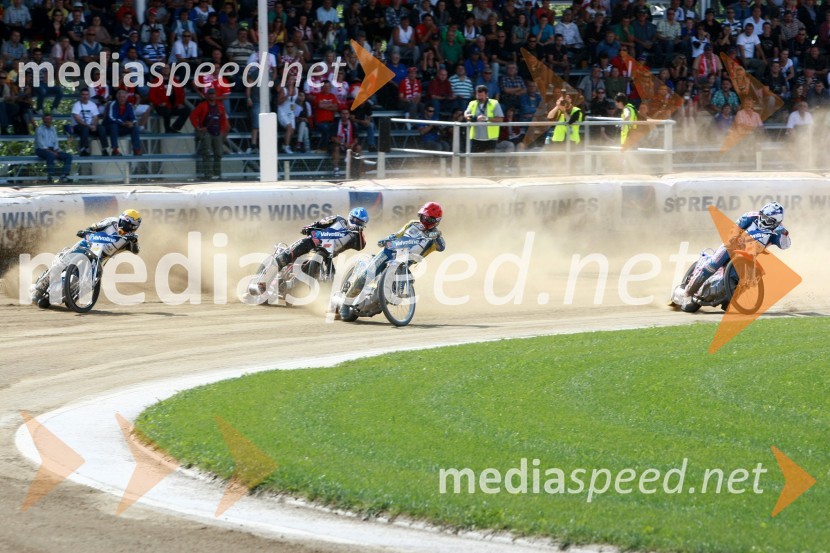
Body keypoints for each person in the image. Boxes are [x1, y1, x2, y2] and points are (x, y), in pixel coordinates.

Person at [682, 202, 791, 303]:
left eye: (768, 220)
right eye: (763, 216)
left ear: (775, 223)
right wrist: (734, 237)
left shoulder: (778, 231)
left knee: (749, 279)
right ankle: (688, 291)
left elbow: (785, 245)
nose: (763, 220)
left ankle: (728, 299)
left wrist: (785, 234)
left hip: (748, 256)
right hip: (732, 246)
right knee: (713, 264)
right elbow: (736, 226)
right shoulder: (751, 216)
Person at [31, 209, 142, 308]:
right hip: (87, 245)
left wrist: (134, 241)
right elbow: (94, 227)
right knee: (61, 263)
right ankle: (40, 288)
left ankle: (72, 297)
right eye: (123, 221)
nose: (123, 225)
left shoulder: (131, 239)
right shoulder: (111, 221)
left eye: (128, 224)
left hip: (99, 259)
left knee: (93, 280)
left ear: (133, 227)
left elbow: (136, 250)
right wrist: (85, 231)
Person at [343, 202, 445, 304]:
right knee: (365, 278)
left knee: (387, 295)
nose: (424, 220)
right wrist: (387, 239)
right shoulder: (412, 224)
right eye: (423, 217)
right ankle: (344, 304)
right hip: (389, 252)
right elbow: (397, 234)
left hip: (404, 262)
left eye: (428, 219)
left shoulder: (435, 237)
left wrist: (437, 236)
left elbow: (442, 247)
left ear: (436, 221)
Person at [266, 207, 370, 280]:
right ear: (350, 217)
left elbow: (361, 246)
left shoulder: (356, 237)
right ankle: (264, 281)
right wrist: (309, 228)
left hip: (328, 255)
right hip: (313, 242)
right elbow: (321, 223)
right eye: (355, 220)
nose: (356, 223)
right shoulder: (338, 219)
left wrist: (359, 231)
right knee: (289, 254)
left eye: (359, 222)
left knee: (331, 276)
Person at [189, 88, 229, 180]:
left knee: (218, 153)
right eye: (210, 94)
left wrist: (222, 130)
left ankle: (217, 173)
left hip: (217, 131)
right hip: (206, 131)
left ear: (216, 95)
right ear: (207, 96)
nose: (212, 96)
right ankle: (208, 174)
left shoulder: (220, 106)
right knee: (206, 153)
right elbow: (193, 116)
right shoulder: (202, 105)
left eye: (213, 94)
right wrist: (198, 127)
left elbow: (223, 119)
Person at [464, 84, 504, 153]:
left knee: (489, 161)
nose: (479, 97)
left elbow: (500, 119)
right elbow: (465, 115)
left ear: (486, 94)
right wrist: (474, 118)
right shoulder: (472, 103)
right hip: (475, 138)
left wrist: (486, 118)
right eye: (478, 95)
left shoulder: (494, 103)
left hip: (490, 139)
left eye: (481, 96)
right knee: (475, 160)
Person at [103, 89, 143, 156]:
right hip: (110, 128)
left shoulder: (129, 105)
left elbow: (134, 118)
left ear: (126, 97)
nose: (122, 99)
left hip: (122, 127)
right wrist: (123, 123)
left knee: (135, 127)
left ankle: (136, 149)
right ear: (117, 97)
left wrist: (131, 123)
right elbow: (111, 118)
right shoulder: (112, 104)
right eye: (120, 97)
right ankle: (115, 150)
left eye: (123, 97)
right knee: (114, 126)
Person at [35, 113, 72, 182]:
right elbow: (41, 145)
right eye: (46, 119)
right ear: (43, 120)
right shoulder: (39, 129)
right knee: (51, 155)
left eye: (49, 119)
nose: (48, 121)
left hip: (53, 149)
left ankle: (64, 175)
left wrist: (57, 151)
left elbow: (55, 142)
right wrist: (52, 152)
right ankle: (50, 176)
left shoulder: (53, 129)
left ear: (51, 120)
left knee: (68, 156)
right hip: (41, 150)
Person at [70, 88, 103, 156]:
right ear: (80, 96)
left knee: (101, 128)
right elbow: (77, 119)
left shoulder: (93, 105)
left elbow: (96, 117)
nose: (85, 96)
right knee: (85, 128)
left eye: (87, 95)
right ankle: (84, 149)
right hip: (78, 126)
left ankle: (105, 148)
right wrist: (89, 126)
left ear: (89, 95)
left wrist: (94, 125)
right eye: (83, 95)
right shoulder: (76, 105)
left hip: (90, 126)